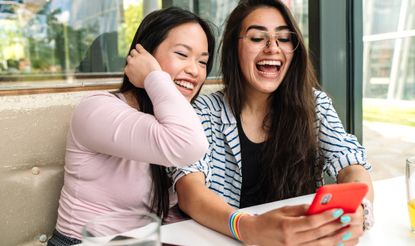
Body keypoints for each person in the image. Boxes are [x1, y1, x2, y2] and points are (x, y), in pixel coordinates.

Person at [171, 0, 374, 245]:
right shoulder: (204, 111)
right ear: (234, 49)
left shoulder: (315, 104)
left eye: (284, 38)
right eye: (257, 38)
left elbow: (351, 163)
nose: (272, 47)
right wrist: (247, 227)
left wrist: (360, 210)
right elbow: (189, 189)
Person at [48, 7, 215, 245]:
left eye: (203, 61)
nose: (194, 70)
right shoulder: (96, 110)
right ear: (144, 55)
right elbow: (189, 146)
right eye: (182, 54)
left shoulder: (171, 119)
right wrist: (153, 76)